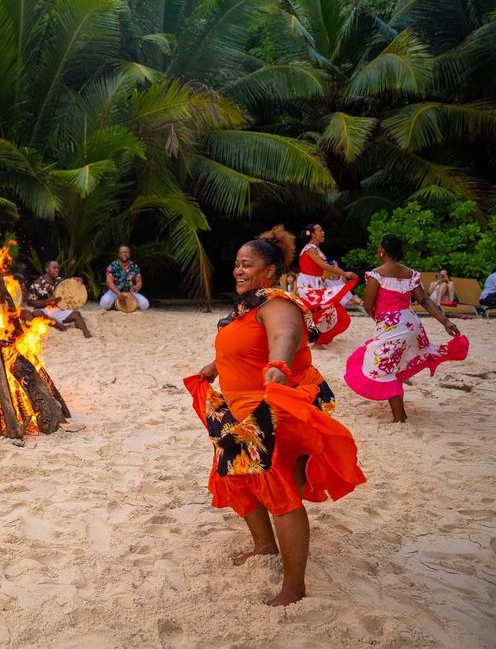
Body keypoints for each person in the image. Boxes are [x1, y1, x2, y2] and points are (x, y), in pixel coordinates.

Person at [185, 225, 365, 607]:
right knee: (235, 478)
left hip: (270, 409)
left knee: (279, 491)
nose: (238, 270)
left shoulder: (278, 303)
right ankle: (264, 545)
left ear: (268, 271)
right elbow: (242, 349)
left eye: (246, 264)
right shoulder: (247, 308)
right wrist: (214, 367)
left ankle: (294, 586)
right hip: (238, 411)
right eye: (236, 264)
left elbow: (285, 335)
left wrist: (280, 364)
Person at [344, 234, 469, 423]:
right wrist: (445, 322)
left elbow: (368, 305)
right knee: (394, 363)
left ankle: (400, 418)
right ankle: (400, 414)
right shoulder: (410, 273)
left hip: (391, 325)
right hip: (412, 323)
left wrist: (380, 319)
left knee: (384, 368)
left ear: (382, 251)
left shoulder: (376, 274)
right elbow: (424, 300)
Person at [296, 224, 358, 345]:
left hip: (316, 282)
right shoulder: (310, 249)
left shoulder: (315, 249)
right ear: (312, 234)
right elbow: (323, 266)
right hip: (308, 284)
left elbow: (323, 269)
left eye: (323, 230)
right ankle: (313, 338)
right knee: (318, 310)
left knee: (323, 309)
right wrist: (344, 273)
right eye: (320, 230)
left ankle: (316, 338)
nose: (323, 232)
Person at [27, 260, 93, 337]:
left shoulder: (60, 281)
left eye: (58, 268)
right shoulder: (37, 283)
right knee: (36, 313)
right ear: (47, 269)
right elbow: (30, 302)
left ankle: (87, 334)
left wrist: (76, 280)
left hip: (58, 310)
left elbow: (70, 287)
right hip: (43, 310)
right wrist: (46, 302)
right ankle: (62, 327)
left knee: (76, 314)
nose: (57, 270)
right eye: (54, 268)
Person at [100, 245, 149, 310]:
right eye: (122, 252)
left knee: (145, 304)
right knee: (104, 303)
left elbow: (139, 282)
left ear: (129, 254)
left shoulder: (135, 266)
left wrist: (137, 286)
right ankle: (117, 305)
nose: (124, 254)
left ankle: (130, 305)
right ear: (118, 254)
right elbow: (109, 282)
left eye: (126, 252)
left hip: (130, 292)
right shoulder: (112, 266)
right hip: (115, 292)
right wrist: (119, 294)